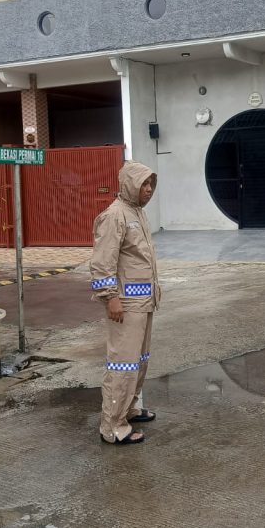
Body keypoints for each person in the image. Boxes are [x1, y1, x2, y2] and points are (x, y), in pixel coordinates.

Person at [90, 161, 161, 445]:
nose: (149, 190)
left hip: (143, 302)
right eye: (144, 184)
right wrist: (110, 298)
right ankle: (113, 425)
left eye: (151, 185)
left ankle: (129, 409)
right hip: (126, 305)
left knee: (139, 362)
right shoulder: (114, 216)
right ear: (130, 184)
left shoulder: (137, 213)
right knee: (123, 364)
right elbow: (102, 262)